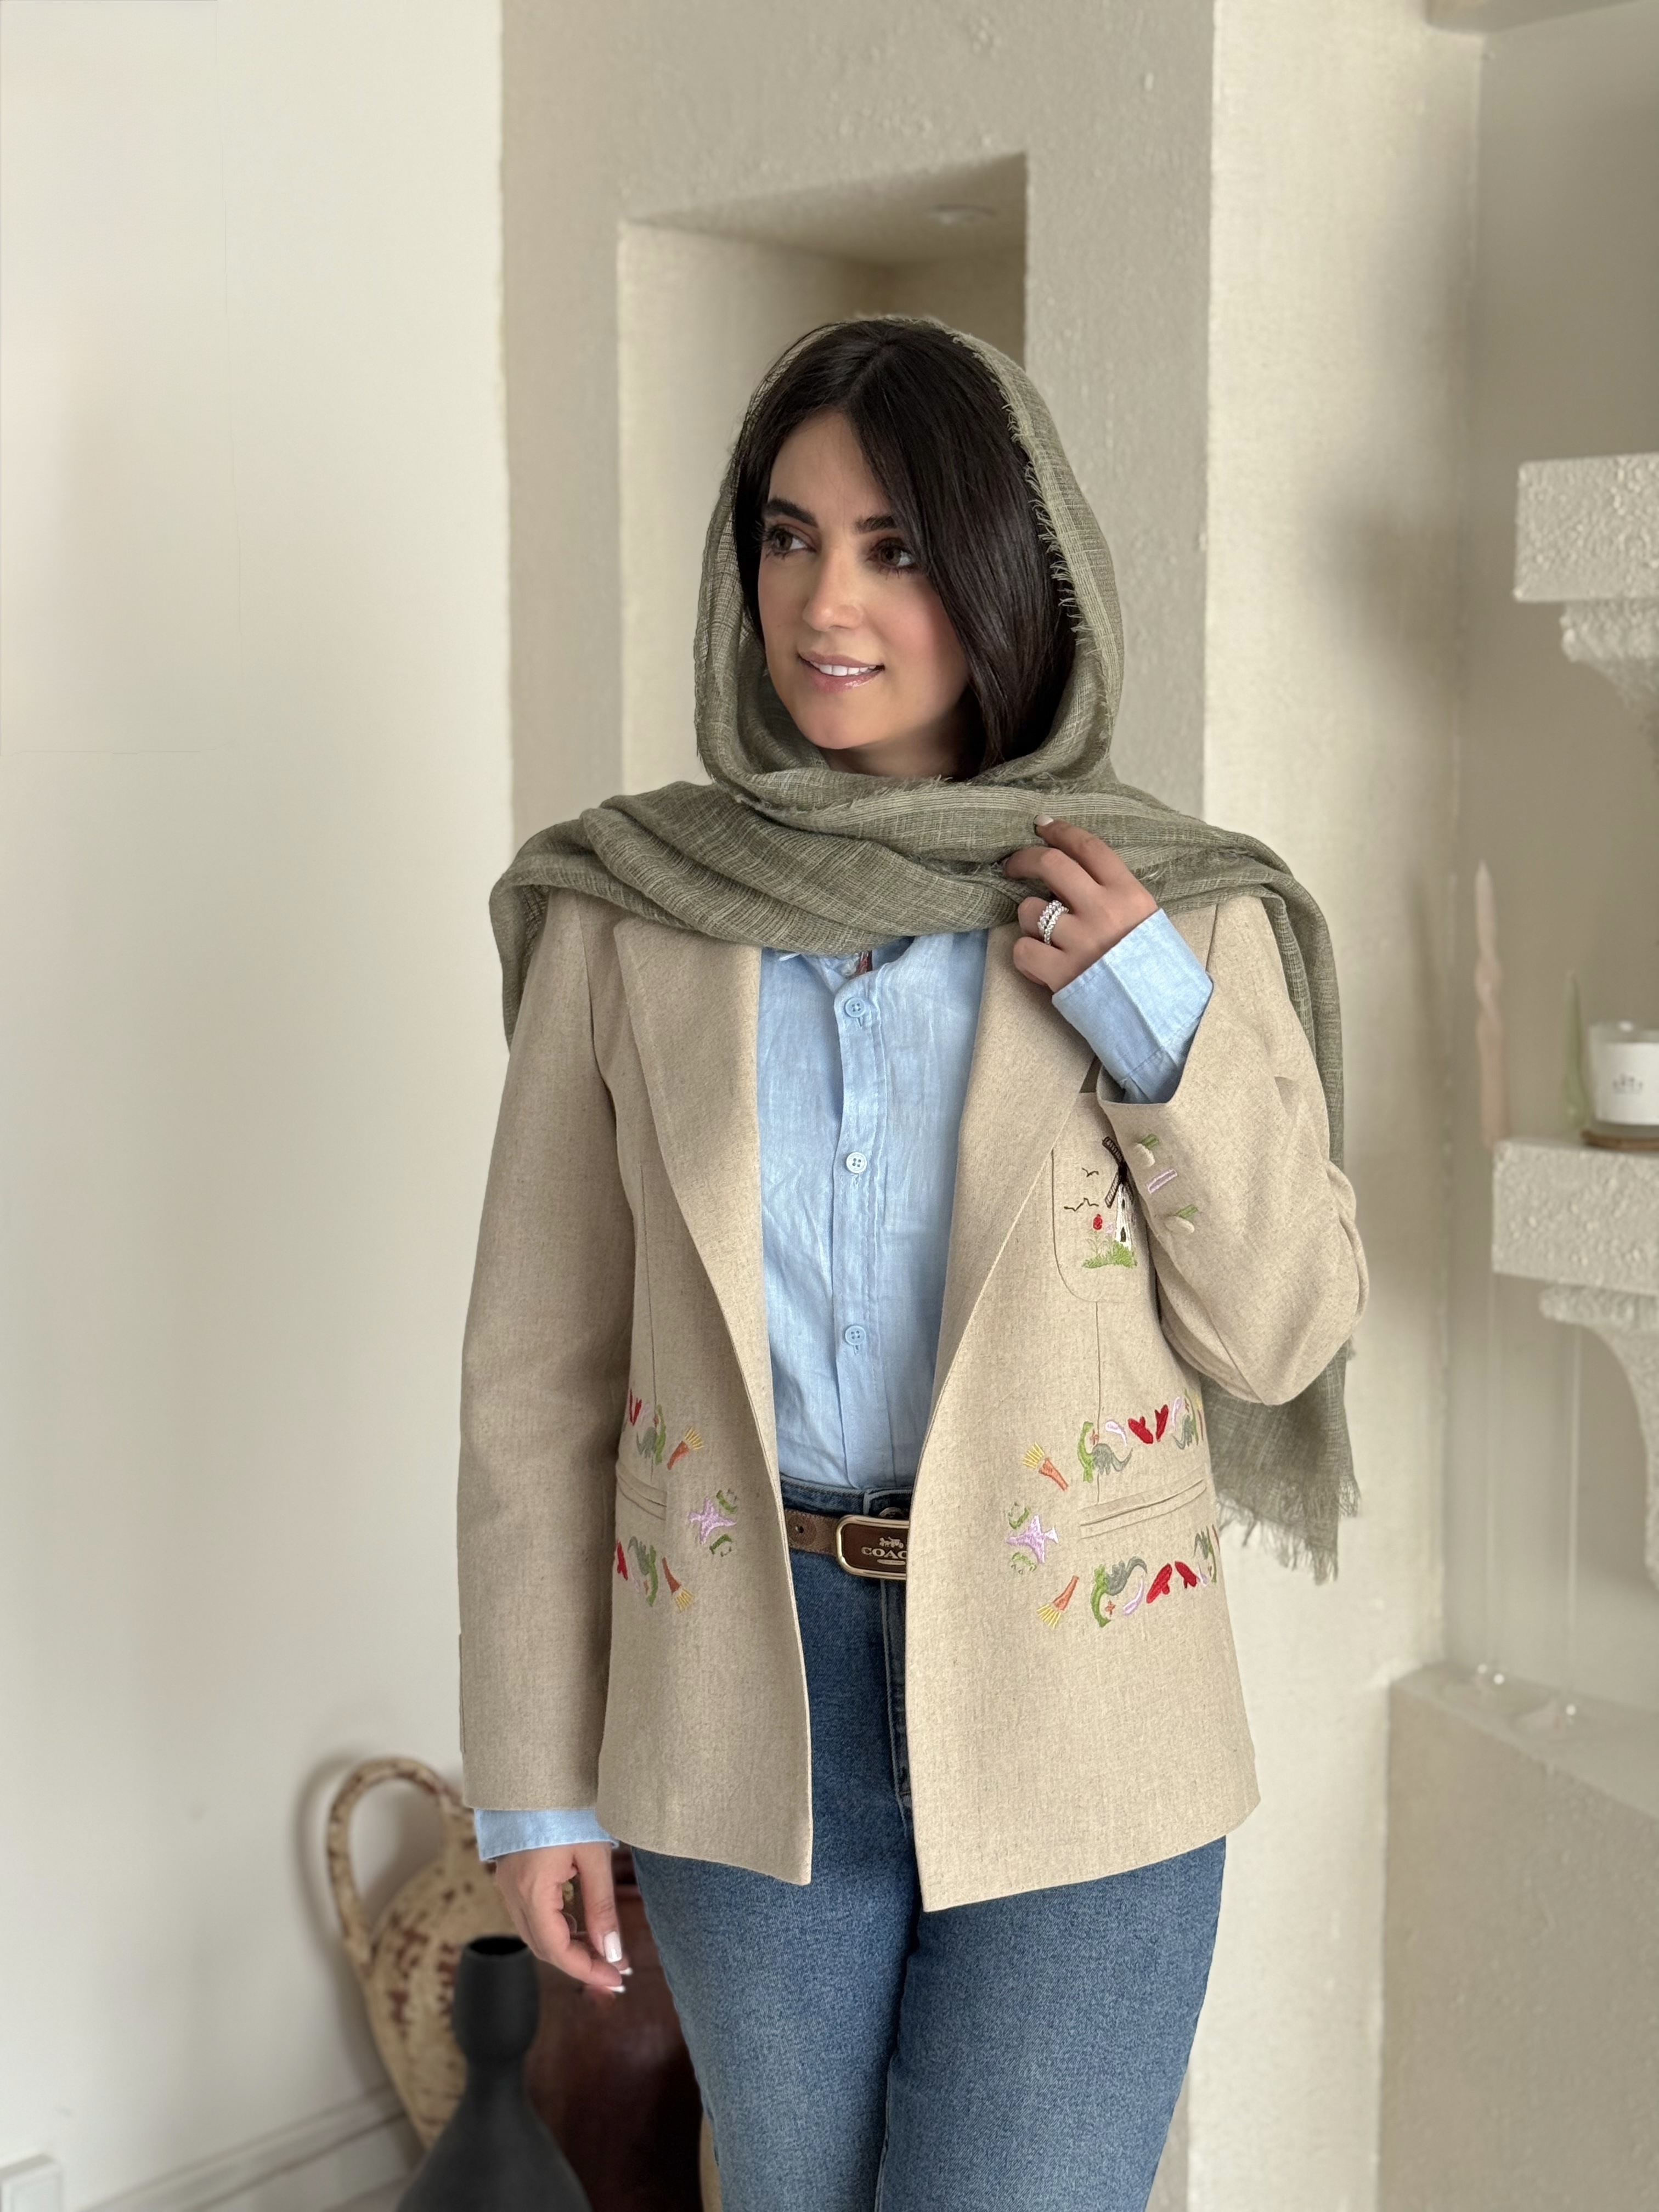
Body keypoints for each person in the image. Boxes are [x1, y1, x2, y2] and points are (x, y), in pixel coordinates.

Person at [457, 317, 1367, 2212]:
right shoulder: (632, 912)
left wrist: (1153, 1022)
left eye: (895, 548)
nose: (826, 603)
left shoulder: (1170, 911)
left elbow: (1283, 1333)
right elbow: (539, 1375)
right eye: (788, 539)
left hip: (1082, 1697)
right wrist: (534, 1779)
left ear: (1013, 574)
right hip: (739, 1696)